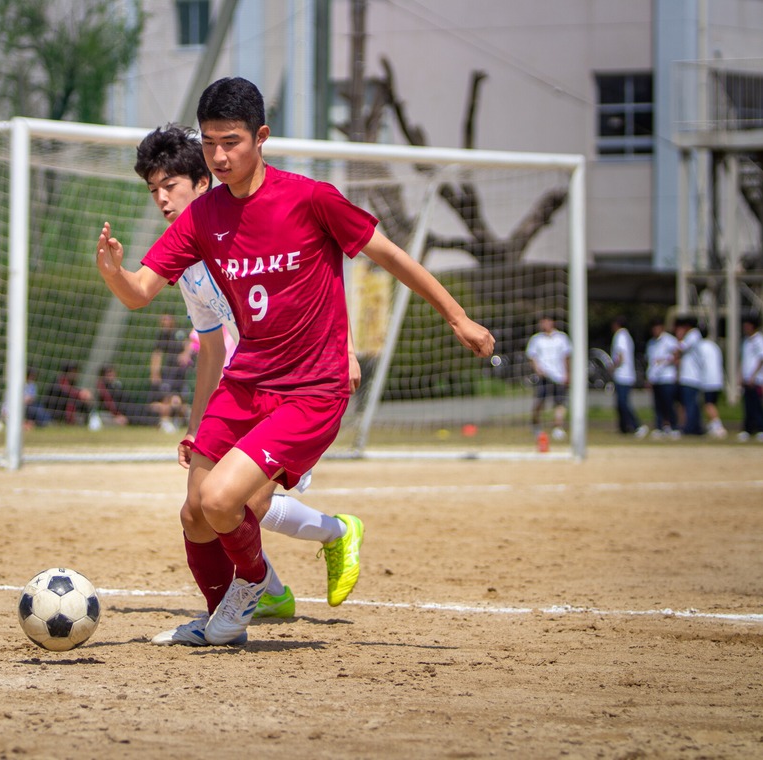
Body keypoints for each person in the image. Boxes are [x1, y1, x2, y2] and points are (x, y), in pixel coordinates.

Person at [95, 78, 493, 646]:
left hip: (311, 390)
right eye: (209, 144)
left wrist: (457, 318)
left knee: (223, 500)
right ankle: (220, 620)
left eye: (231, 142)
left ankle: (255, 585)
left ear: (262, 137)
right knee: (194, 514)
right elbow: (139, 292)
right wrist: (113, 271)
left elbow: (392, 255)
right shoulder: (202, 217)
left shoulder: (311, 198)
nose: (219, 156)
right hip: (245, 382)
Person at [132, 123, 367, 627]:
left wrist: (343, 348)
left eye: (170, 186)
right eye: (153, 190)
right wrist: (196, 424)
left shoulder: (242, 224)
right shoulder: (190, 264)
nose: (161, 200)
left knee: (243, 504)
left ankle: (333, 534)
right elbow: (212, 348)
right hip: (242, 390)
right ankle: (272, 590)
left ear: (203, 183)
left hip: (293, 384)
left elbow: (313, 282)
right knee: (211, 507)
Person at [526, 314, 572, 442]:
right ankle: (535, 424)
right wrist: (537, 369)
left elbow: (566, 357)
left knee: (560, 402)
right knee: (540, 402)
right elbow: (531, 356)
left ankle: (558, 427)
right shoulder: (536, 339)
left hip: (559, 375)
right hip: (544, 375)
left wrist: (568, 373)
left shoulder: (562, 338)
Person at [150, 314, 193, 433]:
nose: (164, 322)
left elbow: (189, 343)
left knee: (180, 400)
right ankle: (165, 421)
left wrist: (185, 354)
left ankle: (180, 421)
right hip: (169, 372)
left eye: (166, 319)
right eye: (162, 320)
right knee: (167, 397)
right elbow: (157, 354)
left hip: (181, 372)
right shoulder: (162, 336)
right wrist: (154, 372)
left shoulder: (180, 332)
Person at [609, 315, 645, 437]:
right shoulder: (626, 336)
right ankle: (624, 427)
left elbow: (620, 355)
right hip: (625, 375)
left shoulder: (620, 335)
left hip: (623, 375)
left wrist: (612, 367)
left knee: (623, 402)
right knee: (620, 403)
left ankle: (636, 425)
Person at [645, 320, 679, 439]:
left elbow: (676, 356)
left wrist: (665, 361)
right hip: (655, 378)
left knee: (668, 403)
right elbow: (650, 362)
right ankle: (660, 427)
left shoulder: (669, 340)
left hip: (667, 377)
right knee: (657, 404)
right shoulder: (651, 343)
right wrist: (649, 377)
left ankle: (673, 426)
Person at [673, 315, 705, 436]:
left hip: (691, 376)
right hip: (689, 376)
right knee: (691, 404)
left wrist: (679, 337)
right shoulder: (694, 335)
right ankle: (696, 428)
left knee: (689, 404)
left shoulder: (693, 334)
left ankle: (690, 428)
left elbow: (679, 349)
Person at [738, 314, 763, 442]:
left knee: (757, 405)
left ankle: (761, 429)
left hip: (756, 379)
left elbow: (762, 358)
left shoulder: (759, 340)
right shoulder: (746, 340)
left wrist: (753, 376)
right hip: (746, 378)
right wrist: (741, 375)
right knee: (747, 405)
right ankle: (748, 429)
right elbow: (743, 360)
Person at [698, 332, 726, 438]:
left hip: (708, 380)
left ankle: (718, 426)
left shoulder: (700, 346)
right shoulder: (713, 345)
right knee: (712, 403)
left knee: (708, 404)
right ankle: (712, 426)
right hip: (718, 379)